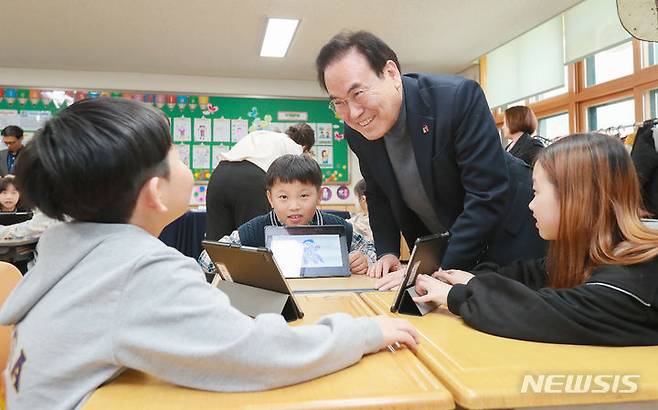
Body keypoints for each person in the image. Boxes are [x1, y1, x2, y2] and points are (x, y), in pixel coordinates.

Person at [0, 98, 419, 410]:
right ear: (154, 192)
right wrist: (365, 332)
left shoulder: (77, 251)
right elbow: (259, 356)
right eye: (177, 156)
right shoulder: (138, 270)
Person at [316, 31, 545, 285]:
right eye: (339, 103)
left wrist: (432, 268)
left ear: (391, 73)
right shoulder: (356, 132)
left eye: (358, 93)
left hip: (508, 236)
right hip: (447, 245)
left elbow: (486, 195)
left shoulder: (457, 99)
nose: (353, 113)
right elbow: (379, 192)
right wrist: (387, 251)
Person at [412, 133, 658, 346]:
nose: (530, 204)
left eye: (537, 192)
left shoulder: (637, 273)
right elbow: (530, 274)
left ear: (576, 198)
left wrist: (458, 295)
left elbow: (546, 314)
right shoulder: (591, 253)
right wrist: (474, 279)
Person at [199, 154, 376, 276]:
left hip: (324, 299)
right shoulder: (256, 229)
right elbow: (207, 259)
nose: (294, 206)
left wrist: (365, 259)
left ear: (319, 196)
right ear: (270, 198)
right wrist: (247, 264)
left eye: (304, 196)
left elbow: (372, 251)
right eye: (283, 197)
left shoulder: (336, 227)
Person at [205, 123, 315, 241]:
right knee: (252, 238)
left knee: (218, 239)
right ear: (305, 147)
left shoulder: (262, 134)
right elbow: (296, 179)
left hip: (219, 176)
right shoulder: (294, 147)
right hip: (250, 182)